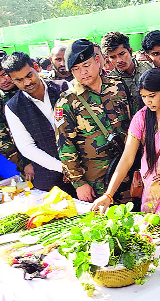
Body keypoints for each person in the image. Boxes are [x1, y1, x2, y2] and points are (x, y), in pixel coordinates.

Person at [90, 69, 160, 230]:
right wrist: (108, 195)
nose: (147, 101)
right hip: (154, 184)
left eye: (152, 96)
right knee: (156, 234)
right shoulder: (141, 117)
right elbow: (127, 158)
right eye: (143, 97)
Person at [55, 39, 131, 202]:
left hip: (129, 173)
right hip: (97, 183)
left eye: (86, 65)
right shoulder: (67, 102)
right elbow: (65, 147)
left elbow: (134, 126)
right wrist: (79, 183)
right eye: (76, 69)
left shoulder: (118, 86)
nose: (82, 72)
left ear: (97, 61)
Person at [2, 52, 74, 193]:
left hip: (83, 171)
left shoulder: (63, 88)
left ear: (36, 67)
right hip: (49, 180)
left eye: (29, 75)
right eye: (19, 80)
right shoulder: (13, 107)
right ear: (11, 80)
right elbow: (27, 147)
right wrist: (62, 168)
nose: (27, 82)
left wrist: (74, 166)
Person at [0, 50, 33, 179]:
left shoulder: (32, 86)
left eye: (4, 74)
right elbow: (1, 141)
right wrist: (24, 164)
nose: (2, 81)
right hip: (28, 161)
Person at [101, 31, 153, 115]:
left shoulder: (149, 68)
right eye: (113, 57)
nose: (119, 60)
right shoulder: (109, 82)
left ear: (130, 51)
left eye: (122, 54)